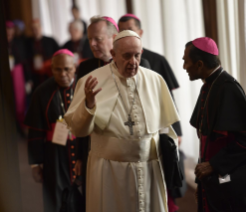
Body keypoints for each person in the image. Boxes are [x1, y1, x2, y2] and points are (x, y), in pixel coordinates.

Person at [64, 30, 180, 212]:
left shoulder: (155, 80)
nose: (133, 62)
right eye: (127, 56)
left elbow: (165, 127)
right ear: (113, 55)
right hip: (109, 171)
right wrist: (88, 105)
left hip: (149, 169)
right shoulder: (92, 80)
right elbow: (78, 129)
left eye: (137, 55)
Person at [184, 37, 246, 212]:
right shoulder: (208, 87)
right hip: (214, 183)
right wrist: (201, 183)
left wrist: (214, 164)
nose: (184, 67)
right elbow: (206, 143)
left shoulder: (228, 87)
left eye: (186, 61)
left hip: (233, 186)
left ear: (199, 64)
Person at [24, 49, 81, 212]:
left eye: (67, 69)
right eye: (58, 69)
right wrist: (35, 164)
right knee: (56, 199)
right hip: (55, 155)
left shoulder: (84, 87)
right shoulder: (41, 92)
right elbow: (35, 132)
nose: (63, 74)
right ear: (51, 69)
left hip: (82, 150)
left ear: (75, 67)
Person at [118, 13, 183, 140]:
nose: (126, 34)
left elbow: (168, 97)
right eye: (121, 31)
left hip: (156, 123)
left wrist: (177, 130)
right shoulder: (116, 61)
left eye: (130, 30)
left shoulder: (157, 59)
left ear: (140, 32)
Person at [26, 19, 59, 89]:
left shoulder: (50, 40)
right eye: (33, 29)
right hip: (35, 75)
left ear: (41, 28)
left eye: (37, 28)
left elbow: (58, 55)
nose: (36, 30)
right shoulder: (28, 42)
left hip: (49, 73)